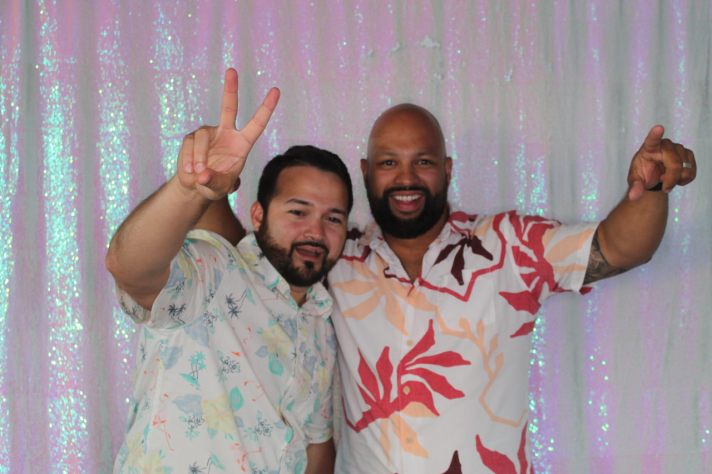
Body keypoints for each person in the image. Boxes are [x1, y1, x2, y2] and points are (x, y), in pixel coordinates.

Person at [195, 103, 696, 471]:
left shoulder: (509, 245)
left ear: (447, 169)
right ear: (366, 173)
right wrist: (210, 186)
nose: (406, 178)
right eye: (388, 162)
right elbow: (250, 260)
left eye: (423, 161)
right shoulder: (336, 255)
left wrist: (651, 187)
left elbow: (619, 248)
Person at [106, 68, 354, 473]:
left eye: (333, 218)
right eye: (298, 211)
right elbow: (130, 269)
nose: (315, 231)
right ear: (258, 215)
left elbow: (316, 444)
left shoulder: (319, 322)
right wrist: (188, 192)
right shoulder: (217, 271)